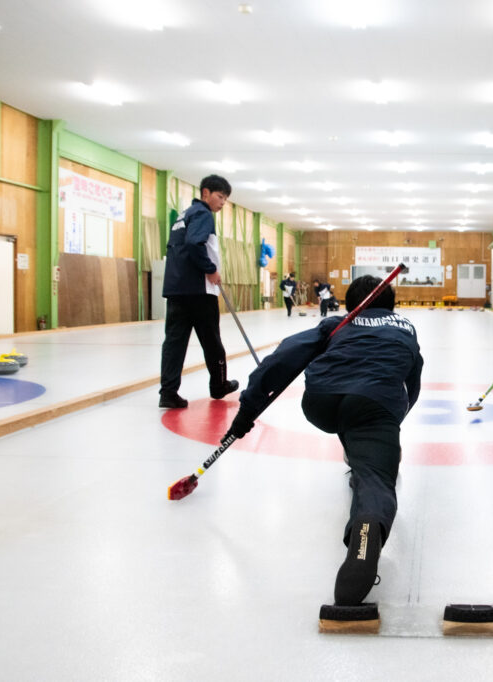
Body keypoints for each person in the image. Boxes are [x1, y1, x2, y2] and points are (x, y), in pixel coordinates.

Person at [225, 275, 423, 606]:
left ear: (350, 303)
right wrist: (392, 425)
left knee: (355, 419)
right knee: (375, 473)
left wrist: (248, 410)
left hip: (320, 400)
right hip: (374, 403)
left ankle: (358, 455)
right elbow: (412, 382)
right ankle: (365, 534)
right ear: (391, 305)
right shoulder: (405, 327)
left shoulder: (336, 323)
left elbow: (283, 357)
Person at [158, 175, 239, 409]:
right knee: (212, 341)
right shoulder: (203, 214)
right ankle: (219, 384)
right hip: (199, 291)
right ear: (206, 193)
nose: (222, 202)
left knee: (174, 343)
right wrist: (210, 269)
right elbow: (195, 243)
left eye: (225, 199)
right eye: (220, 196)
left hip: (176, 290)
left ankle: (168, 392)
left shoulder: (183, 215)